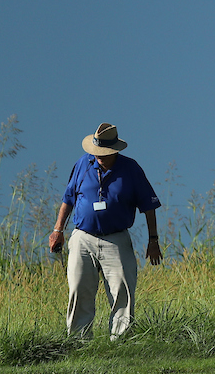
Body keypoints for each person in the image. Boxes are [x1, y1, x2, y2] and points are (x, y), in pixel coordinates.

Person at [48, 123, 162, 340]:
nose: (99, 156)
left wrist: (153, 240)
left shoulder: (131, 169)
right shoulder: (83, 163)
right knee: (79, 290)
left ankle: (121, 342)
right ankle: (78, 343)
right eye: (96, 152)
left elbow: (149, 206)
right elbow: (68, 198)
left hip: (116, 239)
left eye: (104, 153)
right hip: (82, 237)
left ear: (115, 150)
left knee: (122, 292)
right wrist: (57, 230)